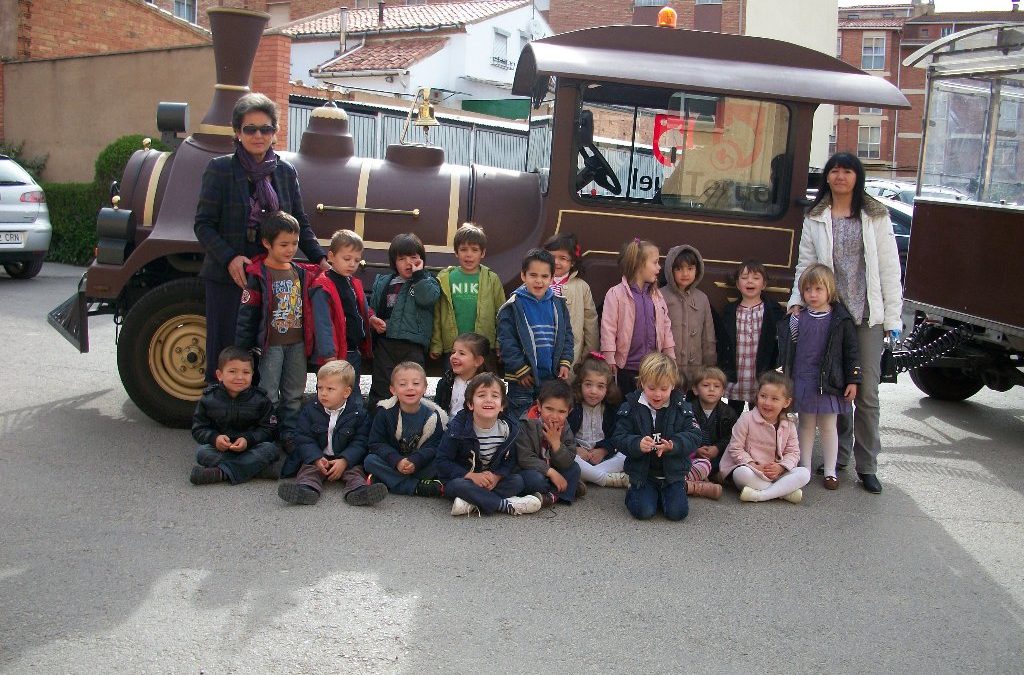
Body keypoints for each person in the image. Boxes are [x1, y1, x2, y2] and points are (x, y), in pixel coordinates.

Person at [789, 152, 903, 494]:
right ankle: (840, 456)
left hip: (867, 315)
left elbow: (889, 269)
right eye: (835, 170)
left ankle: (868, 465)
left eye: (847, 171)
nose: (840, 176)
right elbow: (805, 265)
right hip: (832, 314)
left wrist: (893, 318)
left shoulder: (875, 215)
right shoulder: (816, 215)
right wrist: (797, 301)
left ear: (858, 176)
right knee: (835, 387)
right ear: (827, 177)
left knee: (866, 391)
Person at [194, 92, 326, 384]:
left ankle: (256, 419)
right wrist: (230, 258)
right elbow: (203, 225)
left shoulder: (285, 172)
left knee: (265, 353)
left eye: (265, 128)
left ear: (275, 132)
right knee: (228, 350)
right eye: (249, 129)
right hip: (230, 278)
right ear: (237, 132)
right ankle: (219, 416)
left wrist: (320, 258)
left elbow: (298, 223)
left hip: (272, 279)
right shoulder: (220, 169)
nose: (258, 135)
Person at [234, 211, 319, 443]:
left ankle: (289, 432)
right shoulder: (258, 275)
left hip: (297, 345)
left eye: (294, 243)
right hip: (271, 346)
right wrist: (242, 349)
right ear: (266, 243)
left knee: (294, 393)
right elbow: (247, 314)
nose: (290, 249)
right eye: (283, 244)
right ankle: (267, 431)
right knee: (268, 392)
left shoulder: (300, 273)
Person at [779, 264, 861, 489]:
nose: (812, 295)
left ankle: (830, 470)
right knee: (805, 425)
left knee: (828, 426)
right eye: (807, 290)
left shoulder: (840, 320)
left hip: (830, 381)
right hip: (804, 379)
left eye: (818, 289)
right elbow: (790, 348)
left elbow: (850, 353)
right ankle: (803, 468)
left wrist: (853, 380)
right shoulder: (797, 319)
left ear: (830, 291)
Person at [278, 360, 386, 506]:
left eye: (330, 389)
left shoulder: (358, 414)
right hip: (319, 457)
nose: (323, 393)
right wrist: (316, 457)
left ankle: (359, 492)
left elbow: (361, 441)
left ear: (346, 392)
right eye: (319, 388)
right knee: (308, 471)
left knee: (355, 472)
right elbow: (303, 438)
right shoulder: (310, 411)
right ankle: (305, 491)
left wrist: (345, 460)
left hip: (345, 458)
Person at [611, 352, 702, 521]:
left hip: (672, 475)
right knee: (644, 512)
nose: (658, 394)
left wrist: (674, 445)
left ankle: (669, 492)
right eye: (651, 388)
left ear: (673, 385)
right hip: (643, 474)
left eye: (664, 388)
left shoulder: (682, 407)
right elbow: (618, 436)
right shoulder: (631, 406)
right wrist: (637, 444)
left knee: (677, 513)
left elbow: (695, 435)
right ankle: (635, 490)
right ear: (642, 383)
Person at [436, 373, 543, 516]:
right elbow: (442, 461)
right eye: (481, 396)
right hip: (466, 478)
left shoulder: (508, 429)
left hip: (491, 479)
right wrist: (471, 476)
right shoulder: (457, 428)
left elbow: (511, 460)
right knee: (457, 485)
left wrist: (497, 476)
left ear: (502, 406)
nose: (489, 400)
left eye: (495, 396)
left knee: (517, 481)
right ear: (470, 404)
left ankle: (471, 503)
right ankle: (503, 505)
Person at [496, 249, 574, 419]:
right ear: (523, 276)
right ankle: (519, 446)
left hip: (551, 376)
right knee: (521, 419)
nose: (539, 281)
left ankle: (543, 446)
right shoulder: (513, 306)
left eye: (545, 276)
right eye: (533, 275)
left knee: (546, 419)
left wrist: (565, 362)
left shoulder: (558, 304)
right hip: (523, 379)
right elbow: (507, 342)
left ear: (552, 278)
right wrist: (520, 369)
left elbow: (567, 336)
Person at [367, 233, 441, 412]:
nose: (409, 262)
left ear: (422, 260)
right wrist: (373, 320)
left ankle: (411, 422)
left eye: (414, 258)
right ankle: (378, 422)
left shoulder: (428, 281)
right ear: (394, 262)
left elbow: (427, 299)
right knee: (382, 384)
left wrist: (419, 276)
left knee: (411, 387)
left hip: (412, 346)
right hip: (386, 342)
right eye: (402, 258)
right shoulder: (384, 282)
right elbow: (374, 307)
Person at [188, 346, 279, 486]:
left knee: (270, 449)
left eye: (246, 372)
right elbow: (198, 428)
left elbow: (269, 429)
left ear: (252, 374)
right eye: (232, 371)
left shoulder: (261, 400)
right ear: (219, 375)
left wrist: (248, 439)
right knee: (202, 453)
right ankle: (257, 469)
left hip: (251, 447)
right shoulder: (208, 399)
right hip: (222, 450)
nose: (240, 377)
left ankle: (220, 473)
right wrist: (215, 438)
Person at [719, 371, 810, 503]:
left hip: (776, 473)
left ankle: (761, 495)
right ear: (757, 396)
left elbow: (793, 452)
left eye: (774, 399)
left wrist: (781, 467)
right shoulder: (746, 419)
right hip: (751, 470)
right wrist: (753, 465)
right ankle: (783, 492)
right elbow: (735, 448)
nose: (767, 402)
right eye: (763, 396)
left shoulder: (789, 423)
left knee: (804, 473)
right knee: (741, 473)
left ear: (786, 402)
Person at [600, 238, 674, 395]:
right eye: (655, 263)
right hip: (626, 368)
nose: (659, 267)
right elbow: (608, 328)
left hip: (652, 369)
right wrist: (609, 357)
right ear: (640, 264)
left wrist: (670, 357)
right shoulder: (616, 294)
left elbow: (666, 328)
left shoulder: (657, 296)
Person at [364, 362, 448, 497]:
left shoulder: (433, 416)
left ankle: (386, 480)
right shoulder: (385, 413)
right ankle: (417, 487)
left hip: (419, 464)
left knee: (440, 463)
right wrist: (397, 461)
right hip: (393, 462)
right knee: (370, 461)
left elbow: (435, 446)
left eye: (416, 384)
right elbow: (376, 443)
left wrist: (416, 460)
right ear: (393, 390)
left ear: (425, 388)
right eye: (403, 384)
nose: (410, 388)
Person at [716, 260, 786, 415]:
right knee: (733, 415)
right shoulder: (730, 311)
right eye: (745, 277)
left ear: (764, 284)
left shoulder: (773, 311)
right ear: (737, 283)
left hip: (760, 374)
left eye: (756, 277)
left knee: (761, 414)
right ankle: (734, 438)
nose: (750, 281)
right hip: (737, 375)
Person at [429, 223, 505, 365]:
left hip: (483, 348)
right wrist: (436, 344)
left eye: (474, 250)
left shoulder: (491, 279)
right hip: (454, 348)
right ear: (456, 252)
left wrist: (500, 343)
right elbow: (438, 314)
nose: (469, 254)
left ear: (482, 253)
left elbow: (501, 313)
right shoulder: (446, 278)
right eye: (463, 249)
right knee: (453, 385)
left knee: (483, 385)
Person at [311, 229, 372, 375]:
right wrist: (328, 354)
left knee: (352, 390)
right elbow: (322, 322)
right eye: (347, 259)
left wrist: (372, 318)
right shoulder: (323, 285)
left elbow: (361, 309)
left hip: (353, 350)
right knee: (332, 393)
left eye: (357, 260)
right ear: (331, 256)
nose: (352, 264)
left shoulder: (353, 282)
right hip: (335, 354)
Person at [517, 379, 583, 507]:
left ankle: (550, 497)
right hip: (534, 470)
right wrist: (551, 473)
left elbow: (568, 459)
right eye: (549, 409)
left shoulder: (565, 426)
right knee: (535, 480)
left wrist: (556, 444)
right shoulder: (526, 423)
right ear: (539, 406)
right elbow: (524, 458)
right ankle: (566, 490)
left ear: (569, 412)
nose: (554, 416)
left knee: (574, 469)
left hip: (556, 467)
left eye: (561, 412)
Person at [568, 353, 629, 488]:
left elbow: (618, 434)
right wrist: (576, 449)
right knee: (567, 460)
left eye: (600, 386)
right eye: (588, 385)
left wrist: (604, 450)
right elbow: (564, 434)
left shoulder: (611, 408)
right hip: (579, 455)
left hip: (603, 457)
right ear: (580, 384)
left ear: (607, 388)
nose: (593, 391)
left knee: (626, 455)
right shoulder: (573, 407)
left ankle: (590, 476)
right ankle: (606, 479)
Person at [662, 244, 716, 389]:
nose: (685, 274)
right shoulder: (660, 296)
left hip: (695, 370)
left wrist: (710, 365)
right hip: (667, 368)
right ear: (670, 270)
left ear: (697, 270)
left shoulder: (702, 298)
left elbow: (708, 334)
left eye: (690, 268)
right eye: (679, 269)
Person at [543, 232, 599, 368]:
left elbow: (590, 322)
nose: (556, 262)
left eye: (563, 258)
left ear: (572, 261)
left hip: (570, 355)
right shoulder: (537, 282)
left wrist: (588, 355)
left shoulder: (581, 287)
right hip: (542, 348)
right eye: (552, 257)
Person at [688, 366, 738, 486]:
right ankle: (706, 477)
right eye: (705, 385)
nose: (711, 389)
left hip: (717, 456)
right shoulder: (687, 409)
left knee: (733, 463)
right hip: (694, 455)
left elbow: (731, 437)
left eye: (716, 386)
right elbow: (683, 433)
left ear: (722, 391)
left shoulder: (729, 412)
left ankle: (708, 475)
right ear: (695, 389)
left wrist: (717, 448)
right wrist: (696, 449)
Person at [434, 332, 489, 417]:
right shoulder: (446, 382)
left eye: (462, 353)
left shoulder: (486, 386)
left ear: (477, 361)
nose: (454, 356)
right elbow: (437, 409)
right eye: (453, 352)